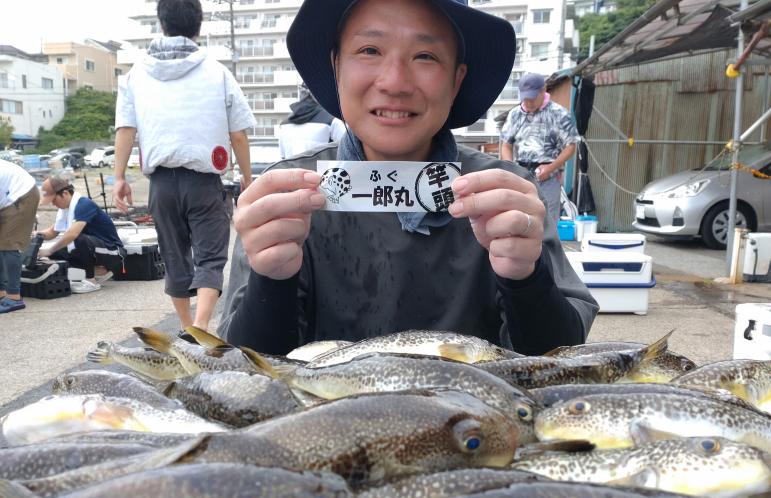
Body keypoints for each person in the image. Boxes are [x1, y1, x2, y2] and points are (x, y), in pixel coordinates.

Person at [222, 0, 598, 356]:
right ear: (336, 66)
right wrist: (271, 281)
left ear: (456, 80)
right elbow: (246, 371)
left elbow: (560, 358)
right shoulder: (289, 194)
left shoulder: (505, 194)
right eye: (369, 50)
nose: (395, 82)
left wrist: (526, 280)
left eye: (425, 56)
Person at [112, 0, 256, 332]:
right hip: (204, 182)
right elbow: (238, 134)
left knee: (174, 257)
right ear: (198, 27)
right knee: (210, 256)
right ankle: (202, 326)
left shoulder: (135, 75)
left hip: (161, 184)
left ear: (161, 24)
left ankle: (185, 323)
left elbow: (126, 130)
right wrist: (247, 178)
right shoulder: (216, 71)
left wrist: (119, 177)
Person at [500, 72, 580, 225]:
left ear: (543, 91)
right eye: (525, 98)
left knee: (547, 222)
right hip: (521, 175)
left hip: (549, 177)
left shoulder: (559, 114)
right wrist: (511, 168)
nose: (528, 103)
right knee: (520, 219)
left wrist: (550, 168)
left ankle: (547, 250)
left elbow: (571, 146)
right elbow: (506, 145)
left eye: (533, 98)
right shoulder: (515, 114)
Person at [37, 176, 124, 294]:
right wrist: (33, 236)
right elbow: (52, 232)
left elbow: (72, 234)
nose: (53, 204)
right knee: (54, 254)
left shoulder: (84, 204)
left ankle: (91, 280)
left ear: (65, 193)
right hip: (94, 249)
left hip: (112, 252)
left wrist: (50, 250)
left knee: (76, 238)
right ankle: (93, 269)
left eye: (54, 200)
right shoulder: (65, 210)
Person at [0, 160, 39, 313]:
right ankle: (2, 293)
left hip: (21, 195)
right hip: (6, 197)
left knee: (10, 245)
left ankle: (14, 297)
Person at [278, 83, 348, 160]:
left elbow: (283, 157)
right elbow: (346, 152)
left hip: (290, 170)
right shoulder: (332, 120)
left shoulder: (284, 124)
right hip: (321, 171)